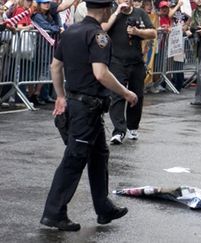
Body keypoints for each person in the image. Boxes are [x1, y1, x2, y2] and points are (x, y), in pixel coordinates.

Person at [40, 0, 138, 231]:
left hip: (80, 105)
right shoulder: (98, 36)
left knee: (99, 155)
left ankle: (103, 208)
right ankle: (54, 213)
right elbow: (101, 73)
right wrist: (126, 93)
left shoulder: (71, 31)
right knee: (74, 159)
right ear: (105, 10)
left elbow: (55, 66)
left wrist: (61, 96)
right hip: (86, 107)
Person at [102, 0, 156, 144]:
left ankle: (133, 127)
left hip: (136, 61)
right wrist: (116, 12)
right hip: (116, 61)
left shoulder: (140, 13)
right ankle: (118, 130)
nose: (124, 1)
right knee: (117, 95)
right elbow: (103, 28)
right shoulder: (112, 13)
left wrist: (138, 32)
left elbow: (153, 32)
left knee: (136, 95)